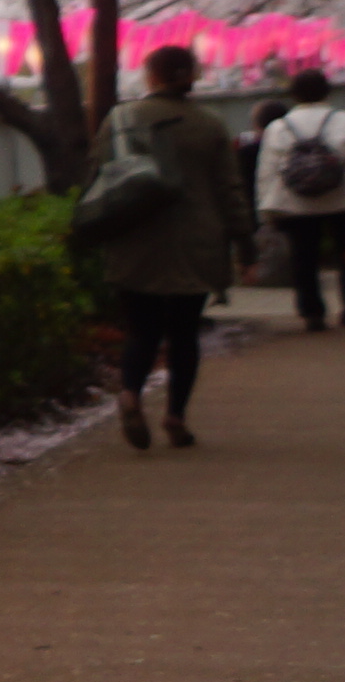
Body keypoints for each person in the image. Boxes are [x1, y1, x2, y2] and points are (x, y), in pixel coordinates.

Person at [97, 44, 253, 449]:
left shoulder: (123, 118)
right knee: (184, 333)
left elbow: (98, 174)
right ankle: (175, 418)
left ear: (150, 75)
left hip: (137, 237)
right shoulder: (209, 124)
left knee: (142, 329)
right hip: (197, 239)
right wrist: (244, 240)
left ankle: (131, 392)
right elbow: (229, 189)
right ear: (192, 75)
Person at [254, 64, 345, 331]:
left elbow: (267, 170)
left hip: (296, 201)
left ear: (293, 95)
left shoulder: (279, 127)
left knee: (303, 257)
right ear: (327, 92)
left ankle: (312, 311)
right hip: (344, 198)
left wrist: (265, 207)